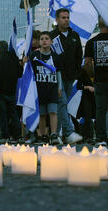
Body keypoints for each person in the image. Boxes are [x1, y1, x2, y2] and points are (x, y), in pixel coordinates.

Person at [50, 9, 83, 144]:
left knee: (61, 106)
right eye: (63, 17)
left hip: (70, 76)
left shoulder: (75, 35)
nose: (66, 20)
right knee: (62, 102)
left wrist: (76, 73)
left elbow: (79, 56)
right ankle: (69, 133)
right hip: (57, 75)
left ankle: (56, 135)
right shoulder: (51, 36)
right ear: (57, 20)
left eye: (68, 17)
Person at [28, 32, 63, 145]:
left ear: (51, 42)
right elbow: (29, 71)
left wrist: (60, 88)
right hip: (39, 88)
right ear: (39, 42)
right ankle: (42, 134)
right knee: (42, 113)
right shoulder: (34, 55)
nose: (44, 41)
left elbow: (59, 73)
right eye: (42, 39)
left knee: (53, 111)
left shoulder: (55, 56)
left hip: (52, 87)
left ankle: (53, 134)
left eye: (46, 39)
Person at [0, 40, 22, 143]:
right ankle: (18, 135)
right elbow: (19, 73)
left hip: (1, 92)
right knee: (14, 114)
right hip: (12, 91)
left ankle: (5, 136)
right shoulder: (14, 57)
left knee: (2, 115)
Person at [84, 16, 108, 147]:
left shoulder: (91, 42)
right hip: (100, 81)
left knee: (100, 110)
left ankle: (101, 138)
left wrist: (93, 76)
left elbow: (87, 64)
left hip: (99, 81)